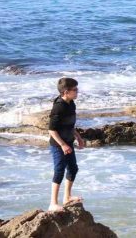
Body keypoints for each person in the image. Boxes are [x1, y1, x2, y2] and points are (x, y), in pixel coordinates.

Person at [47, 77, 85, 212]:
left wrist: (79, 138)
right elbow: (51, 130)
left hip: (68, 141)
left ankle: (67, 197)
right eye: (75, 90)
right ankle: (53, 203)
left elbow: (71, 125)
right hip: (58, 145)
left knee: (73, 169)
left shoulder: (71, 103)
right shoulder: (58, 107)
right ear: (65, 92)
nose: (77, 92)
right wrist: (63, 145)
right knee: (59, 171)